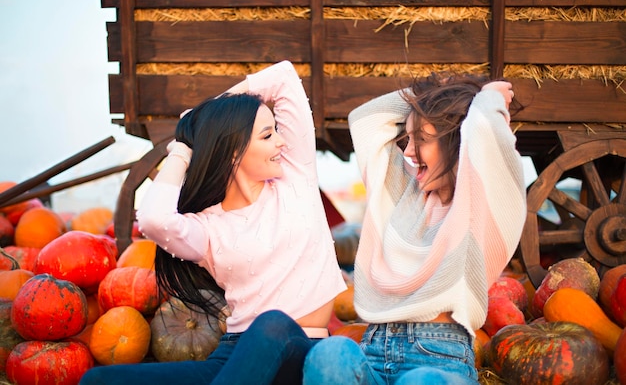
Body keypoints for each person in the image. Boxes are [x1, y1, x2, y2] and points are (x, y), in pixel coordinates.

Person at [80, 60, 347, 385]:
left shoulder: (295, 176)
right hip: (234, 355)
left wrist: (212, 111)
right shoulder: (207, 228)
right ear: (233, 151)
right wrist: (181, 151)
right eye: (267, 135)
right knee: (98, 381)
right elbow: (152, 219)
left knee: (272, 325)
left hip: (299, 349)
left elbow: (283, 76)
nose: (280, 142)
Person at [302, 73, 527, 384]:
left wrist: (484, 100)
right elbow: (365, 119)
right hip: (375, 350)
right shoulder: (400, 196)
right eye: (407, 138)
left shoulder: (481, 211)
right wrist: (433, 94)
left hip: (439, 358)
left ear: (456, 139)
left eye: (421, 139)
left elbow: (484, 135)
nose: (408, 151)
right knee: (330, 355)